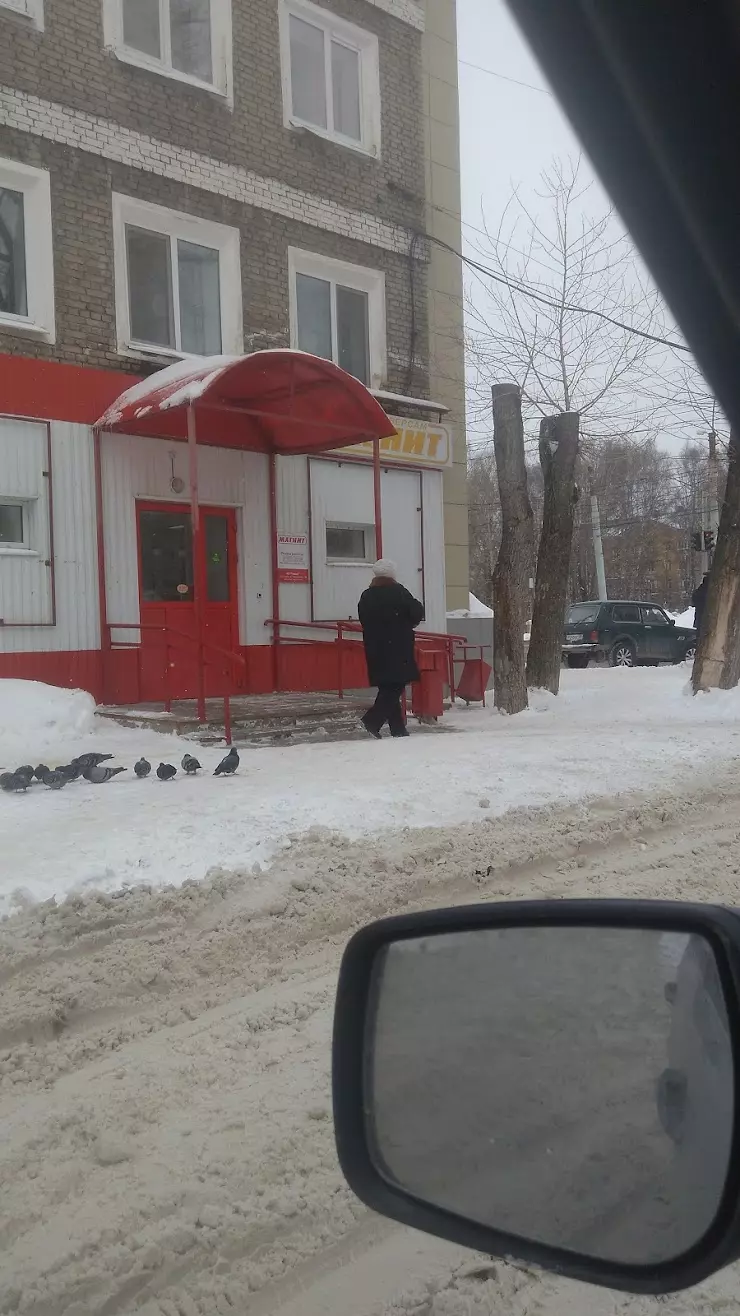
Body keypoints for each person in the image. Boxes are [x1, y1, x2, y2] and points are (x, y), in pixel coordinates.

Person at [358, 560, 425, 739]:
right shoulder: (399, 592)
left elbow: (363, 619)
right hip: (397, 646)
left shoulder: (367, 595)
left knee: (388, 685)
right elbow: (417, 612)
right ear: (392, 575)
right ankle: (371, 721)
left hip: (375, 648)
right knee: (395, 685)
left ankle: (398, 728)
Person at [692, 573, 710, 638]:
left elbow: (694, 599)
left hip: (699, 616)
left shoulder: (701, 588)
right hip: (704, 616)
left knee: (699, 635)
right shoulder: (707, 589)